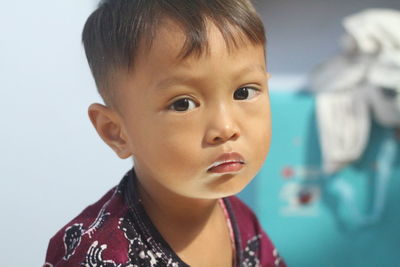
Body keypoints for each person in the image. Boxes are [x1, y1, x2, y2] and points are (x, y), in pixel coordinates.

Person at [44, 0, 286, 266]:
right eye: (183, 104)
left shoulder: (241, 221)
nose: (226, 128)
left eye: (244, 92)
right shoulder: (96, 253)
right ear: (116, 133)